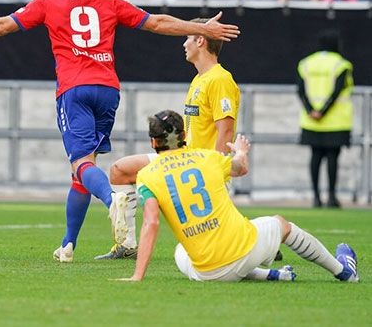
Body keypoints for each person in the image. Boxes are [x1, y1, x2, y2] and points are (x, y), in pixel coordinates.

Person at [0, 0, 240, 262]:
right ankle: (68, 244)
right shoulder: (108, 1)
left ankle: (112, 197)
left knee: (81, 164)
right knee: (83, 171)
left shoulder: (49, 1)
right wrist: (202, 27)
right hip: (107, 89)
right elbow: (156, 22)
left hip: (74, 89)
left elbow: (3, 25)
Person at [117, 109, 359, 282]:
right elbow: (240, 168)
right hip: (244, 251)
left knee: (182, 251)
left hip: (207, 273)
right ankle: (343, 272)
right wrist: (241, 151)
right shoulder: (207, 157)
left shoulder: (146, 175)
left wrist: (138, 275)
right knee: (282, 225)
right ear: (184, 137)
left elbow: (151, 223)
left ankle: (271, 274)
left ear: (152, 141)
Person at [95, 18, 240, 259]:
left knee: (220, 238)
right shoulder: (199, 79)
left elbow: (225, 130)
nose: (183, 44)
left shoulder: (220, 79)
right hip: (183, 158)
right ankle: (128, 244)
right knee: (120, 170)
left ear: (201, 40)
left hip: (202, 166)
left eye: (188, 38)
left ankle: (263, 239)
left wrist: (217, 169)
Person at [297, 29, 353, 208]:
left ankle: (315, 197)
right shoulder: (341, 64)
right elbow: (337, 91)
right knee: (332, 158)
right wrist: (323, 112)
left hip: (311, 120)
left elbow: (300, 90)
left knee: (315, 156)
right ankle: (331, 196)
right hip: (336, 121)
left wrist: (311, 110)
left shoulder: (306, 63)